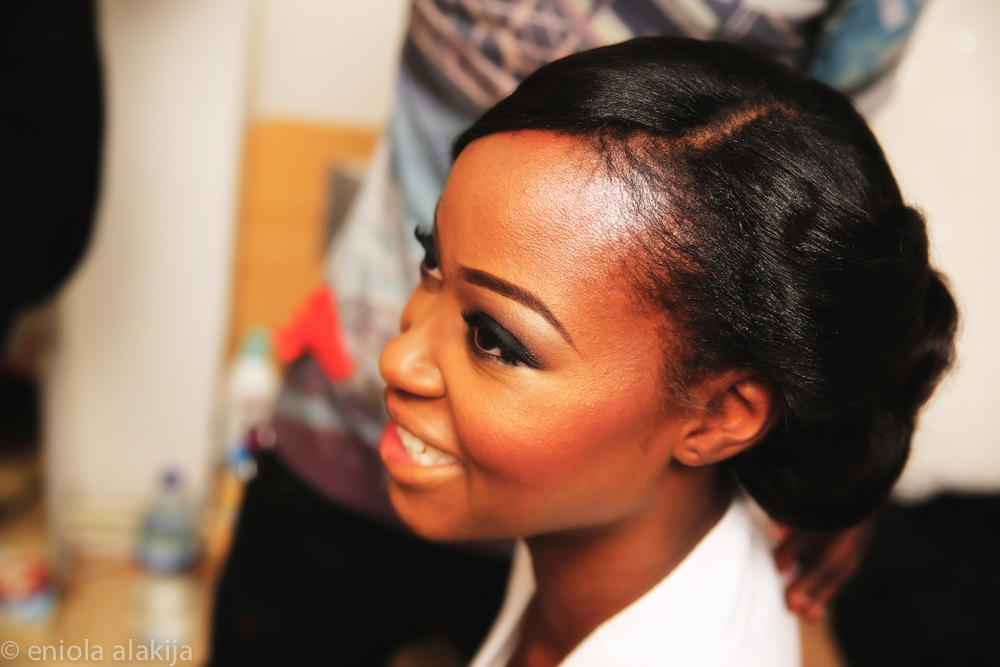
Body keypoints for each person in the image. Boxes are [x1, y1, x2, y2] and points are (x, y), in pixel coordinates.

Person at [210, 3, 930, 665]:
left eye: (493, 340)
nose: (395, 359)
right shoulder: (582, 542)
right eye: (431, 263)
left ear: (719, 414)